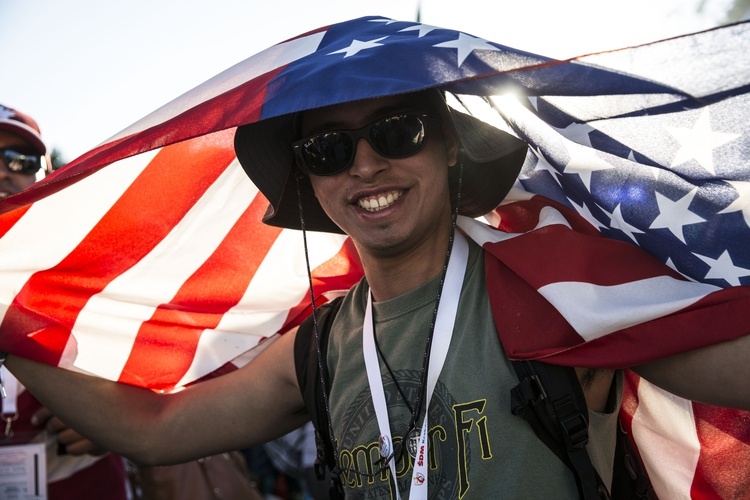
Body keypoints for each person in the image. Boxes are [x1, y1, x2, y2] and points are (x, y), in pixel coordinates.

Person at [2, 85, 748, 500]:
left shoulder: (548, 286)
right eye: (327, 149)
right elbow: (155, 430)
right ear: (308, 179)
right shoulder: (320, 347)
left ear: (449, 142)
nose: (363, 165)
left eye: (395, 132)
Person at [0, 103, 129, 499]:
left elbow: (169, 361)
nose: (4, 170)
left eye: (20, 159)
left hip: (85, 485)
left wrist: (119, 418)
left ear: (46, 174)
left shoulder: (97, 264)